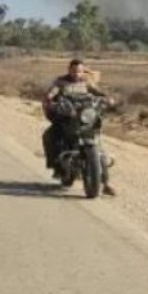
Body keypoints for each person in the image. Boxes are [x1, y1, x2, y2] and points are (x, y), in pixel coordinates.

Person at [41, 59, 114, 195]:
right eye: (74, 70)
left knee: (98, 142)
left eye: (79, 71)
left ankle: (105, 183)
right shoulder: (60, 82)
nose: (76, 73)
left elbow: (98, 92)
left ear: (82, 71)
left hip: (85, 117)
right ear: (69, 70)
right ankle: (57, 166)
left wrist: (107, 98)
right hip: (67, 116)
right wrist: (50, 102)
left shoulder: (86, 82)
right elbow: (51, 94)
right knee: (50, 135)